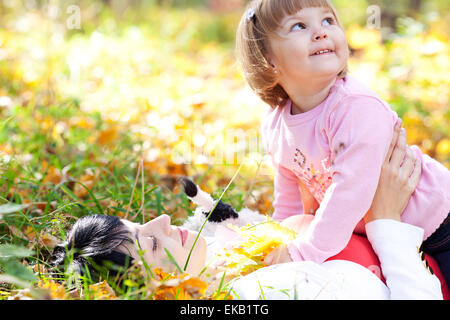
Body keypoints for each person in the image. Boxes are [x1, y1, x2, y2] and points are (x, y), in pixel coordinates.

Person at [50, 124, 447, 299]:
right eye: (151, 243)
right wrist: (385, 219)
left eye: (141, 223)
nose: (163, 220)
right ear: (154, 293)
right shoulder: (262, 292)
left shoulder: (235, 256)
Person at [235, 0, 449, 284]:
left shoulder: (355, 108)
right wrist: (281, 239)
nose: (321, 32)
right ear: (269, 60)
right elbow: (289, 195)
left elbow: (351, 192)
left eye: (328, 21)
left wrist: (305, 252)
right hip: (378, 229)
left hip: (436, 223)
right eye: (299, 25)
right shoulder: (276, 124)